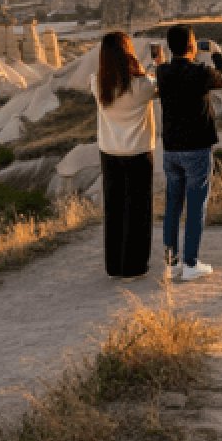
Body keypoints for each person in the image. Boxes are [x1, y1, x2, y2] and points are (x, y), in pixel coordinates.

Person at [156, 24, 222, 281]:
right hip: (196, 148)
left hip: (171, 150)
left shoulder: (162, 72)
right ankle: (190, 263)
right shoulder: (200, 72)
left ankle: (171, 263)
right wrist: (217, 53)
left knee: (173, 207)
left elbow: (170, 69)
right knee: (196, 206)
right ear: (191, 45)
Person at [90, 32, 161, 278]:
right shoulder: (141, 86)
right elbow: (156, 85)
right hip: (138, 153)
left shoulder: (97, 83)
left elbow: (122, 82)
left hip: (109, 152)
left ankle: (114, 265)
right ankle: (134, 266)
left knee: (114, 209)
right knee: (138, 209)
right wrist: (157, 64)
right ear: (128, 53)